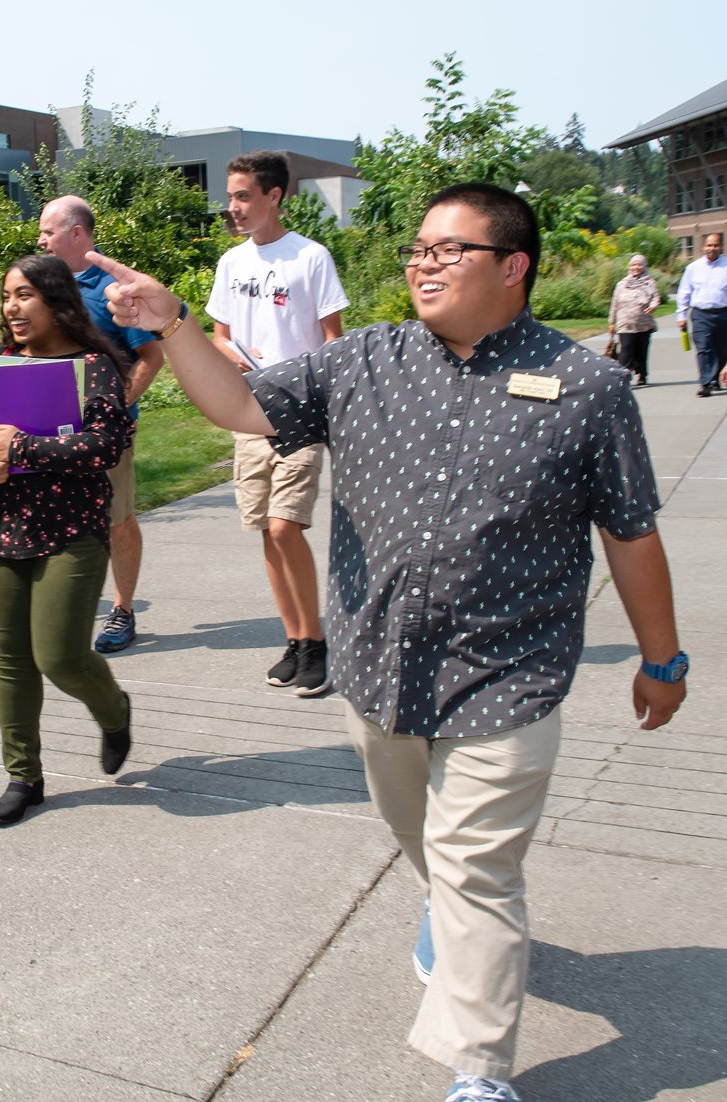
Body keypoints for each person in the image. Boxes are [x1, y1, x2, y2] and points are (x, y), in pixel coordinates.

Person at [87, 182, 687, 1102]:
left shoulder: (588, 389)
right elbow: (243, 407)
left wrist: (661, 659)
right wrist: (172, 325)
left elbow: (632, 532)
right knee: (431, 849)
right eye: (417, 250)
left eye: (449, 250)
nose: (422, 264)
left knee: (480, 869)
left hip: (510, 679)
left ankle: (479, 1071)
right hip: (382, 673)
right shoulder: (359, 364)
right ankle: (440, 904)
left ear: (512, 267)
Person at [0, 254, 134, 825]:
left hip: (71, 531)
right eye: (7, 295)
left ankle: (114, 712)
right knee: (10, 661)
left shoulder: (94, 366)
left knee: (59, 657)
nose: (12, 307)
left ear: (57, 300)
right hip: (0, 530)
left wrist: (23, 451)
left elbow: (106, 447)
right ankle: (23, 776)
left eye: (25, 294)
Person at [206, 152, 347, 697]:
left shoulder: (310, 258)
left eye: (243, 196)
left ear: (274, 196)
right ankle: (294, 640)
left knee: (288, 526)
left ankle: (317, 645)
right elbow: (219, 335)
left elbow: (334, 340)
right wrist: (230, 354)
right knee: (266, 529)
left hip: (301, 412)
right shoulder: (231, 263)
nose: (234, 207)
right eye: (231, 196)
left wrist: (335, 405)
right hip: (248, 411)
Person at [36, 195, 165, 653]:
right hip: (51, 432)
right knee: (61, 520)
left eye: (47, 231)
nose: (40, 239)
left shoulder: (114, 288)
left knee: (116, 521)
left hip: (106, 435)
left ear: (75, 233)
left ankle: (122, 611)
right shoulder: (44, 288)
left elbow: (152, 356)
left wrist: (117, 408)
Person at [678, 231, 727, 396]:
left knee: (722, 350)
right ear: (703, 247)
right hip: (701, 315)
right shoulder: (693, 268)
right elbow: (684, 292)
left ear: (721, 246)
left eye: (715, 245)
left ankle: (714, 378)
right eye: (709, 245)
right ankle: (705, 383)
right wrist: (681, 316)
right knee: (703, 347)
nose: (712, 248)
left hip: (723, 314)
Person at [607, 254, 660, 385]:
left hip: (643, 323)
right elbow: (615, 303)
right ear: (629, 267)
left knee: (641, 351)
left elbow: (656, 298)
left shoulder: (649, 282)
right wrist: (611, 322)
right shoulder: (622, 284)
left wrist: (653, 306)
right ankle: (623, 376)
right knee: (626, 350)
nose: (636, 267)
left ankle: (642, 374)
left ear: (644, 266)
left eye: (639, 264)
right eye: (633, 265)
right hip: (625, 323)